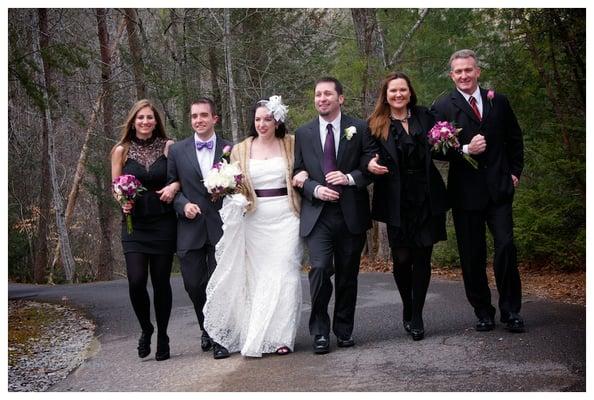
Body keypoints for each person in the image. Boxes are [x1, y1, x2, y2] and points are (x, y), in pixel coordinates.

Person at [431, 49, 525, 333]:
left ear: (477, 71)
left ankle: (511, 311)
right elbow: (434, 149)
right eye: (458, 72)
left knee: (506, 247)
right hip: (465, 193)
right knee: (472, 255)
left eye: (468, 70)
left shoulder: (499, 101)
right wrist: (464, 149)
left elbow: (515, 140)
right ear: (452, 75)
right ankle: (483, 311)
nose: (464, 76)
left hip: (499, 189)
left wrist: (514, 173)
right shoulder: (443, 106)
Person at [203, 96, 304, 357]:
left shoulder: (292, 143)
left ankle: (282, 337)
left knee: (286, 273)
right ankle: (260, 333)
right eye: (258, 119)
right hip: (255, 219)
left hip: (287, 216)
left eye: (267, 119)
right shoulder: (240, 149)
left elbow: (306, 167)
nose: (262, 124)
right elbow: (234, 180)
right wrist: (223, 186)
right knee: (259, 277)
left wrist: (303, 176)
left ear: (277, 121)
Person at [365, 72, 448, 341]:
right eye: (393, 91)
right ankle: (407, 305)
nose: (398, 95)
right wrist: (369, 165)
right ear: (386, 95)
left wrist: (464, 147)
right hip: (395, 198)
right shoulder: (376, 124)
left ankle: (418, 315)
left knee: (423, 256)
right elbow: (366, 155)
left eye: (403, 90)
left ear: (410, 92)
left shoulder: (426, 117)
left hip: (426, 195)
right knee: (402, 258)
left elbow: (443, 147)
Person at [293, 77, 372, 354]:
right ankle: (320, 331)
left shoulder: (360, 128)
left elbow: (370, 168)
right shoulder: (303, 133)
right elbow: (297, 173)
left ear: (341, 98)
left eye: (328, 94)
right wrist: (315, 189)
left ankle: (344, 330)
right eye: (318, 94)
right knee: (320, 269)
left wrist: (349, 178)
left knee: (348, 276)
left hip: (351, 213)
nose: (322, 98)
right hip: (318, 217)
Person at [110, 99, 179, 361]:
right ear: (133, 121)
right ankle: (146, 328)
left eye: (150, 117)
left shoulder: (169, 147)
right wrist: (122, 201)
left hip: (163, 221)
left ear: (156, 121)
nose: (145, 122)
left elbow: (180, 175)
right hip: (134, 223)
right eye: (140, 118)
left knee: (161, 282)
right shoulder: (121, 150)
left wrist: (175, 187)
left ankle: (163, 334)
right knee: (137, 280)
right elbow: (115, 186)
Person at [166, 98, 233, 359]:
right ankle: (206, 327)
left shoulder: (230, 148)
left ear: (214, 118)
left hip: (222, 226)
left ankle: (219, 337)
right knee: (194, 284)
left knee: (217, 285)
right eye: (194, 116)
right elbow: (173, 187)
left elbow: (240, 184)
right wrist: (183, 205)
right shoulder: (178, 151)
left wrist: (229, 190)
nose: (198, 120)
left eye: (204, 115)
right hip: (190, 228)